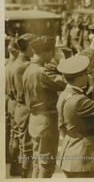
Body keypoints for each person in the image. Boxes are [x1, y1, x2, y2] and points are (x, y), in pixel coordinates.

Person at [56, 55, 94, 178]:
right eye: (85, 74)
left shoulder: (64, 94)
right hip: (82, 156)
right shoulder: (79, 100)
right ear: (78, 79)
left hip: (69, 150)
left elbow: (61, 126)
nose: (88, 77)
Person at [22, 36, 67, 178]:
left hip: (35, 119)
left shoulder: (30, 68)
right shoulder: (42, 72)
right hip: (46, 120)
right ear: (45, 53)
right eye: (52, 52)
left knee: (38, 161)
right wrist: (63, 62)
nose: (54, 55)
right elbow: (67, 83)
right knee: (47, 165)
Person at [11, 34, 36, 178]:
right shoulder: (24, 66)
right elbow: (22, 95)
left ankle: (19, 172)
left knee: (21, 144)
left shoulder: (14, 63)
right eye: (33, 47)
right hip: (25, 109)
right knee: (27, 147)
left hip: (19, 109)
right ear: (29, 47)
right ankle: (25, 177)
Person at [5, 38, 20, 176]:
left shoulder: (6, 65)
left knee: (12, 135)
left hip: (9, 103)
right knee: (16, 136)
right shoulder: (16, 67)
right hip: (16, 103)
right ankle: (15, 166)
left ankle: (12, 163)